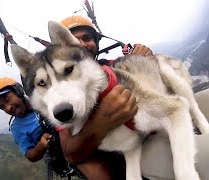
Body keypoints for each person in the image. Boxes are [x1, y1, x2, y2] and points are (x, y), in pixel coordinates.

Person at [58, 15, 209, 180]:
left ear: (96, 42)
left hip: (163, 114)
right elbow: (70, 152)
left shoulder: (112, 65)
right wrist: (101, 121)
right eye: (72, 41)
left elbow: (153, 78)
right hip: (143, 142)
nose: (81, 44)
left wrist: (145, 59)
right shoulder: (66, 94)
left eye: (87, 38)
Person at [0, 77, 52, 162]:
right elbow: (30, 155)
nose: (8, 108)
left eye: (8, 100)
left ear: (19, 91)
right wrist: (41, 146)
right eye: (2, 107)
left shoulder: (41, 99)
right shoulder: (17, 128)